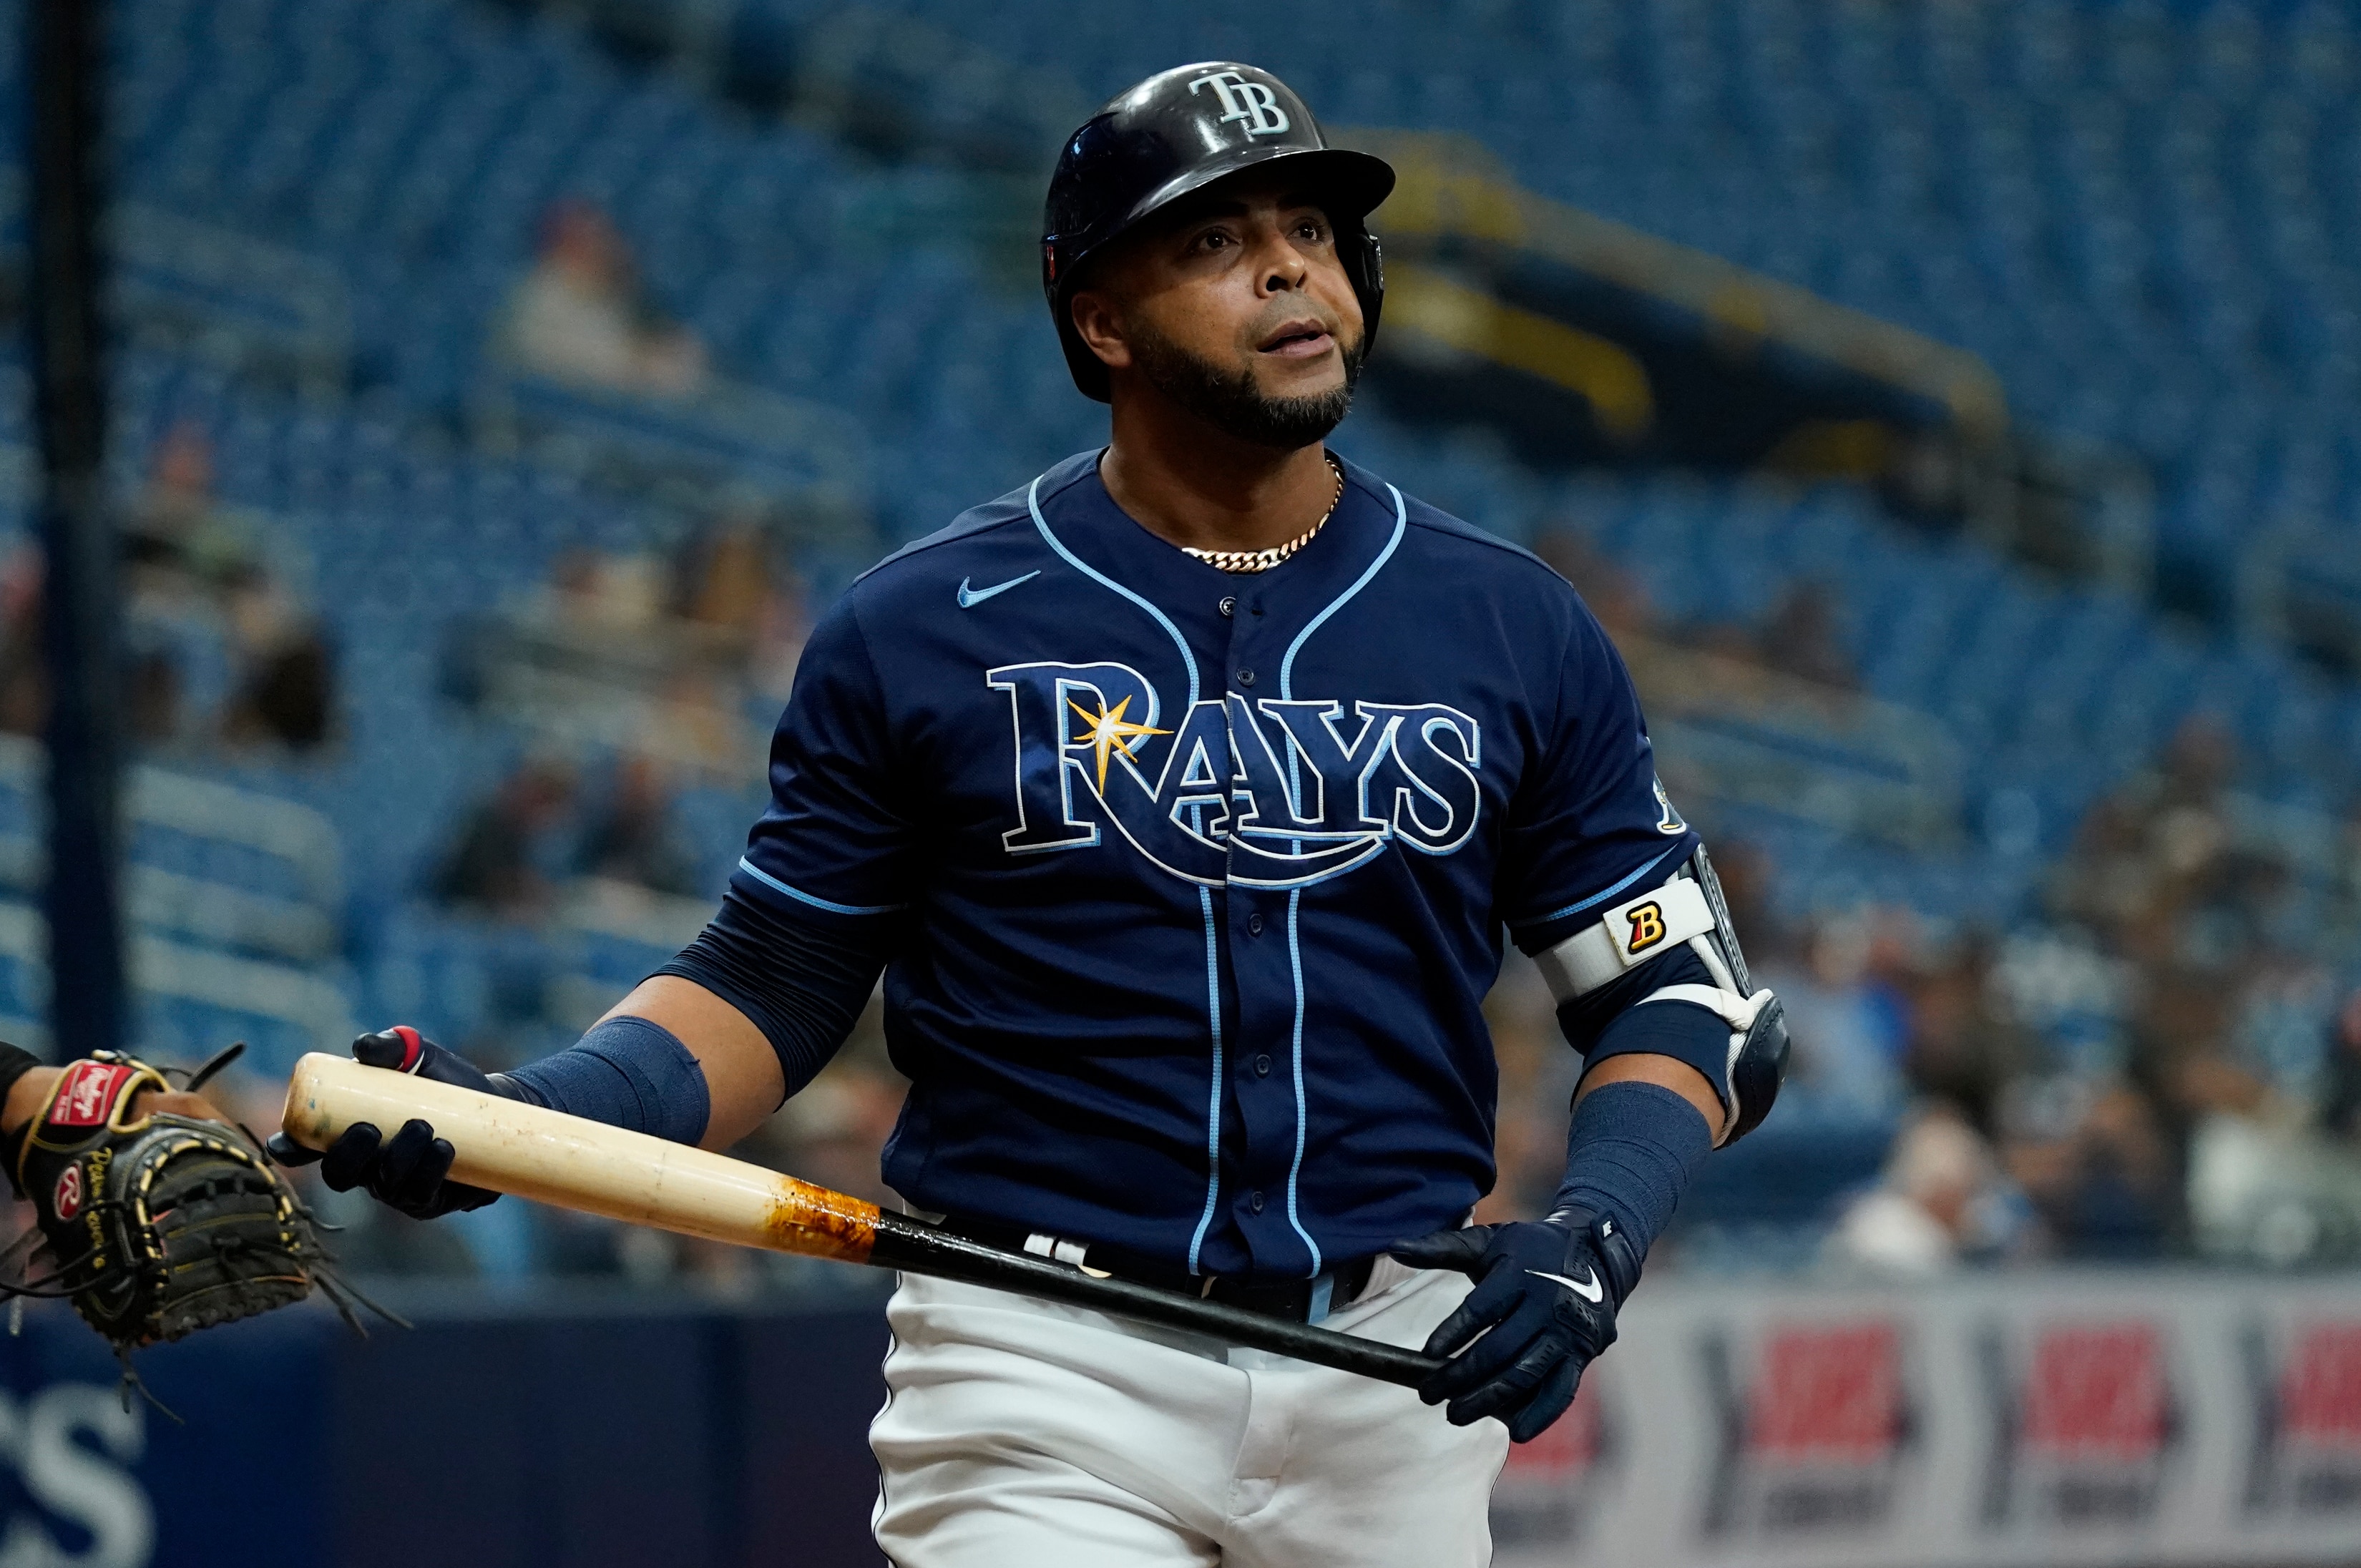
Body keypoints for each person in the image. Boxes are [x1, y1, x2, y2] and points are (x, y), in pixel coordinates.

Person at [273, 64, 1786, 1566]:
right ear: (1102, 319)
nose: (1286, 265)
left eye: (1311, 230)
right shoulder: (925, 625)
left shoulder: (1513, 625)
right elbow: (771, 981)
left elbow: (1676, 990)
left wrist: (1596, 1234)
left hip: (1395, 1370)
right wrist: (536, 1120)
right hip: (1044, 1360)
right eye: (1211, 241)